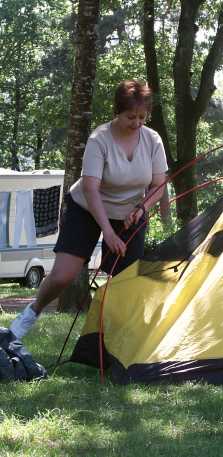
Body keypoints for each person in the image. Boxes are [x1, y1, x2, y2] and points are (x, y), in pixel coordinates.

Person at [9, 80, 168, 342]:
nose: (137, 122)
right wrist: (108, 232)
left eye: (142, 117)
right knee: (63, 275)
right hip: (86, 208)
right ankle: (29, 315)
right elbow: (92, 190)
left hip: (130, 215)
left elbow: (158, 185)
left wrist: (142, 208)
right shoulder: (100, 139)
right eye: (131, 116)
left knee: (126, 281)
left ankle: (120, 339)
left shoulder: (152, 140)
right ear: (118, 111)